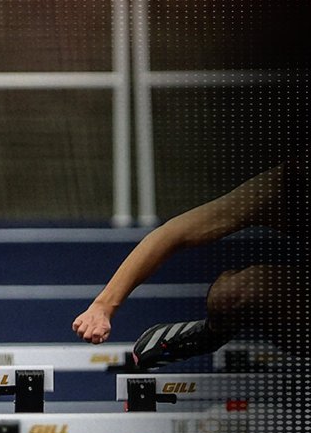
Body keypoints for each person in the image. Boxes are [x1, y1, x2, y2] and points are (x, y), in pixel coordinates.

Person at [72, 155, 308, 367]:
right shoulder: (286, 188)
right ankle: (207, 334)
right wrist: (103, 306)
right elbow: (174, 234)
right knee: (234, 293)